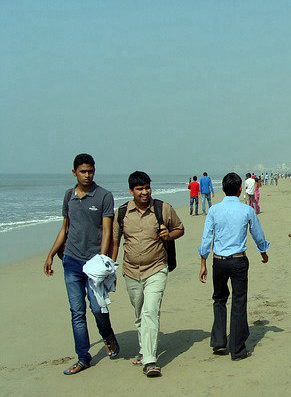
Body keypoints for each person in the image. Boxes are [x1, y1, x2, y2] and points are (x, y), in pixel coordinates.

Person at [43, 153, 118, 375]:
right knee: (77, 312)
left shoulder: (104, 196)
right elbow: (65, 228)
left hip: (94, 264)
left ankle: (108, 336)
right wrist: (50, 254)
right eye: (83, 171)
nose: (87, 175)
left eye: (91, 171)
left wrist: (101, 261)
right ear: (74, 172)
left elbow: (106, 231)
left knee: (97, 308)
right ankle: (83, 358)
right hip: (72, 263)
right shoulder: (69, 196)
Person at [111, 171, 185, 378]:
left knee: (150, 311)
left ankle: (150, 360)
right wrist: (109, 267)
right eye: (139, 189)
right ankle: (144, 350)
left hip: (157, 268)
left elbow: (180, 228)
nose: (144, 192)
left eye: (147, 188)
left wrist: (169, 235)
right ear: (131, 191)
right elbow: (115, 241)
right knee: (139, 314)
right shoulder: (122, 212)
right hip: (131, 271)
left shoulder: (163, 209)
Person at [198, 172, 270, 361]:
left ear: (223, 189)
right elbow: (258, 234)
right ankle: (237, 349)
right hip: (238, 261)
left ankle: (220, 342)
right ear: (240, 189)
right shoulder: (247, 210)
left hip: (219, 261)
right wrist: (263, 252)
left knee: (219, 299)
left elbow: (207, 238)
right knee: (238, 302)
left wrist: (203, 261)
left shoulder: (214, 210)